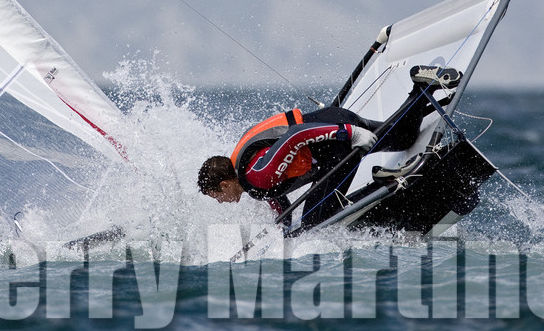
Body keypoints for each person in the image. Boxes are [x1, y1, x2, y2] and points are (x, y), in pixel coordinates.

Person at [197, 64, 459, 224]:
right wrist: (283, 230)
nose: (220, 202)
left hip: (334, 143)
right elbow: (278, 199)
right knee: (403, 137)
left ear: (225, 184)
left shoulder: (256, 175)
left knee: (315, 223)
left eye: (216, 196)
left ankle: (388, 181)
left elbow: (295, 135)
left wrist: (349, 133)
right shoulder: (250, 174)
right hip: (331, 122)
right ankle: (422, 88)